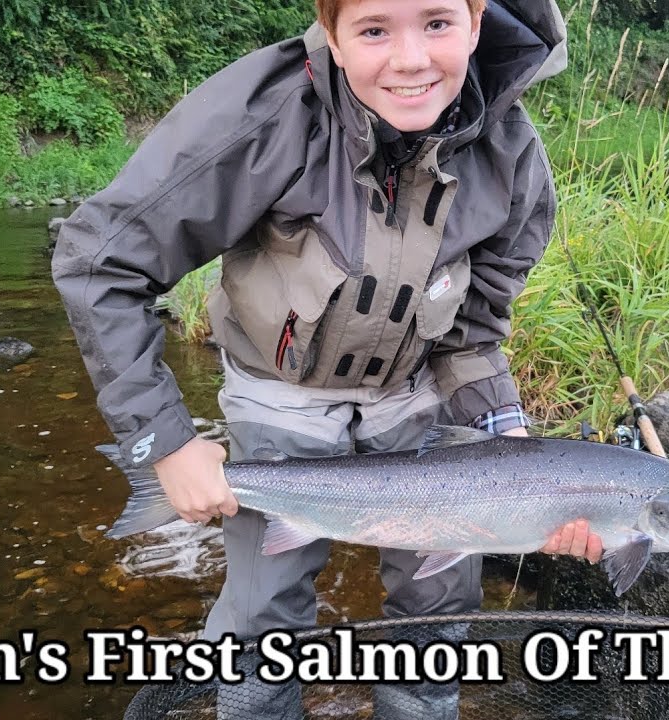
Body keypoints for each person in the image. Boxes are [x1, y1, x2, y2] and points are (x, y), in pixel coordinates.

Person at [53, 0, 601, 715]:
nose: (409, 59)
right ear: (333, 34)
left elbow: (471, 334)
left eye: (437, 23)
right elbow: (100, 262)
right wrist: (166, 443)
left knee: (442, 600)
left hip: (411, 388)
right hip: (276, 388)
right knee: (263, 611)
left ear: (476, 23)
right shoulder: (266, 116)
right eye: (375, 29)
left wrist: (511, 444)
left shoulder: (512, 158)